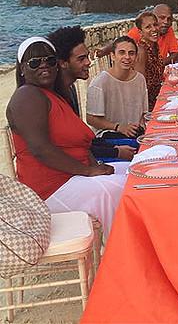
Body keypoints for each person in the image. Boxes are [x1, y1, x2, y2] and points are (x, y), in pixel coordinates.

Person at [6, 37, 127, 238]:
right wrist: (89, 171)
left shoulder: (53, 96)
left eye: (50, 60)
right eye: (34, 62)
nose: (43, 65)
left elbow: (78, 143)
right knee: (121, 188)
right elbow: (41, 149)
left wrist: (94, 165)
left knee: (135, 172)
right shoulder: (27, 96)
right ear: (22, 69)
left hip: (72, 177)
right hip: (50, 190)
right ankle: (121, 248)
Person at [47, 26, 135, 161]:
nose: (88, 62)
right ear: (63, 63)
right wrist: (116, 152)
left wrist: (115, 149)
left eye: (87, 56)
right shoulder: (55, 96)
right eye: (81, 59)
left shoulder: (70, 89)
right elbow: (70, 147)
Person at [86, 36, 148, 138]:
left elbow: (143, 114)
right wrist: (118, 127)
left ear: (136, 57)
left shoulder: (140, 79)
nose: (127, 57)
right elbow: (91, 119)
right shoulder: (100, 82)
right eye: (122, 52)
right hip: (110, 137)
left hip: (135, 135)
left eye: (131, 53)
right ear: (113, 56)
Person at [96, 4, 178, 66]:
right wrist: (102, 51)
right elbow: (121, 43)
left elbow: (176, 55)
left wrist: (159, 64)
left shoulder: (167, 30)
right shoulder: (139, 33)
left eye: (169, 19)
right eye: (162, 18)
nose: (166, 22)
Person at [134, 11, 165, 111]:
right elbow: (140, 86)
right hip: (149, 105)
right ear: (140, 32)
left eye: (155, 25)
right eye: (148, 27)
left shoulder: (154, 45)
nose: (154, 29)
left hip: (159, 97)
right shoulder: (142, 51)